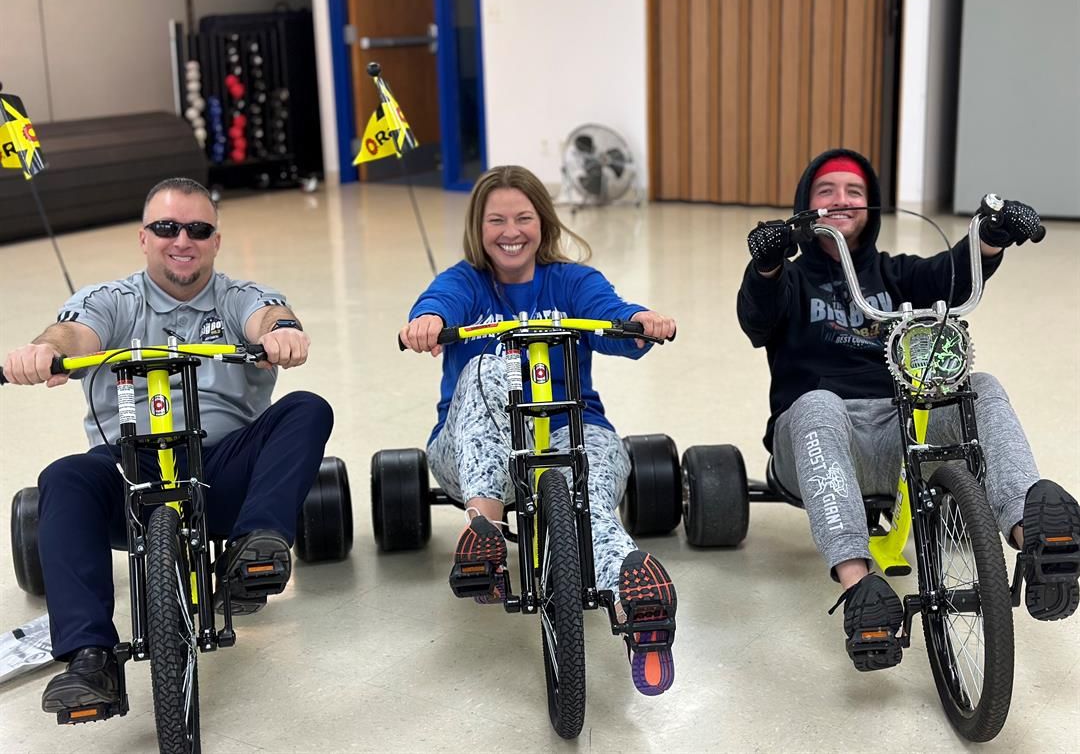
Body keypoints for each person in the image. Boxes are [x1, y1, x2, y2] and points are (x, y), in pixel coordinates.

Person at [737, 148, 1080, 670]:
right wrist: (765, 264)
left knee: (979, 385)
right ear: (806, 206)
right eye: (825, 190)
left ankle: (1031, 536)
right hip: (818, 436)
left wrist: (991, 238)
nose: (841, 200)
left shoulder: (894, 274)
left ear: (870, 207)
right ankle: (862, 590)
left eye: (854, 191)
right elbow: (756, 322)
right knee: (817, 404)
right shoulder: (792, 279)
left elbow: (951, 276)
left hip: (905, 435)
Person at [2, 178, 334, 716]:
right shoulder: (114, 300)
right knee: (63, 477)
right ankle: (90, 658)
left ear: (216, 241)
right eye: (166, 227)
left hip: (219, 466)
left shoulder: (236, 296)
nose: (182, 239)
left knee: (307, 408)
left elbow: (271, 314)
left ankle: (255, 548)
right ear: (143, 237)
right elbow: (73, 333)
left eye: (198, 229)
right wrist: (43, 351)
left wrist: (284, 332)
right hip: (127, 467)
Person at [399, 165, 678, 696]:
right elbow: (438, 304)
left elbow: (610, 315)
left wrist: (641, 321)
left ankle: (635, 603)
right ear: (478, 228)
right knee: (485, 366)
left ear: (543, 223)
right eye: (497, 219)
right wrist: (429, 321)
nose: (511, 231)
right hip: (477, 448)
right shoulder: (466, 281)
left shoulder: (571, 281)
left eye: (524, 218)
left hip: (573, 433)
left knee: (590, 494)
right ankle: (481, 530)